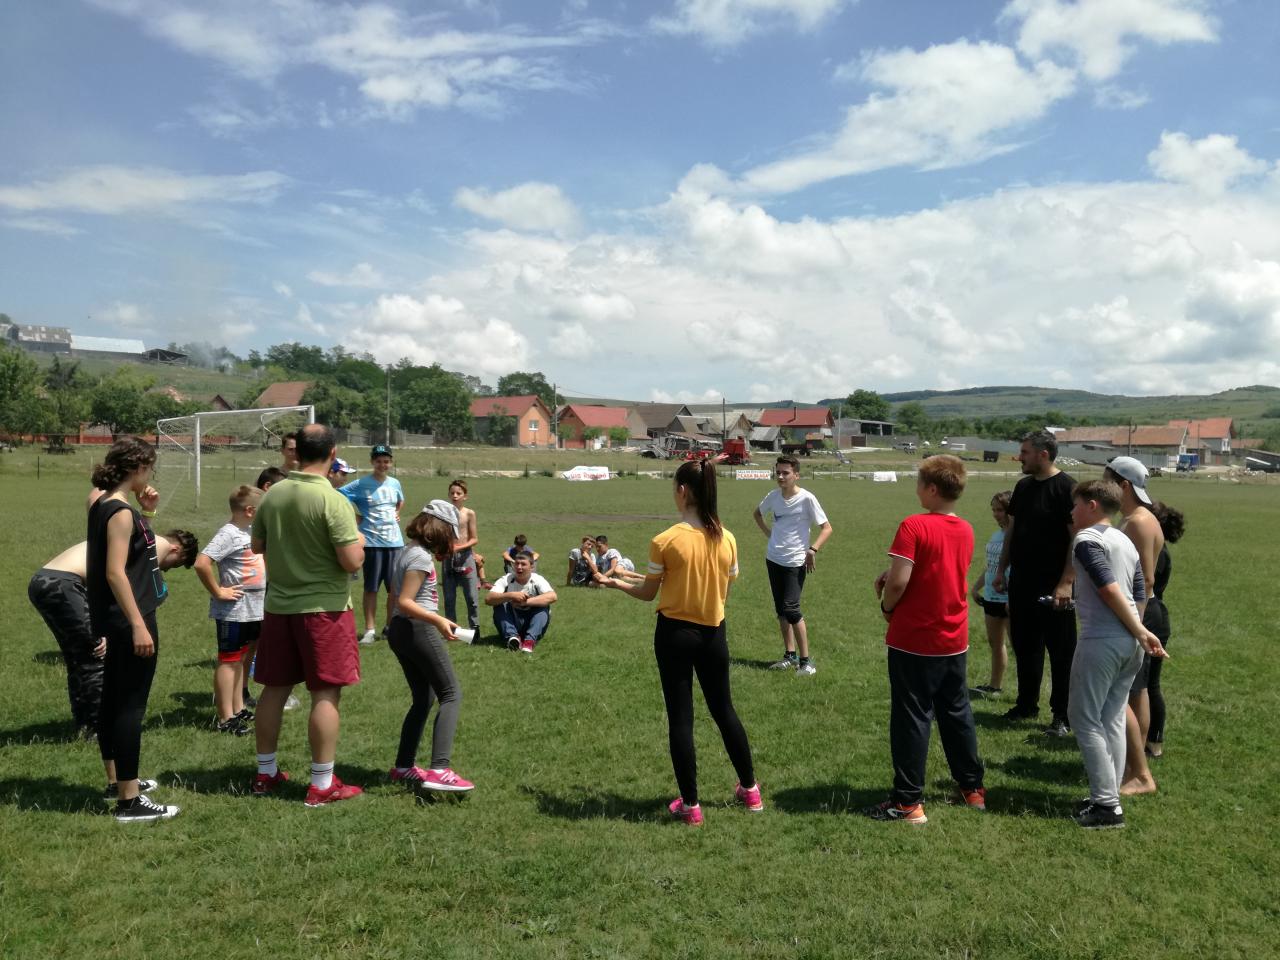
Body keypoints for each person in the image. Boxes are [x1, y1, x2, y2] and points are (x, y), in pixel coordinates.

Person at [595, 459, 761, 827]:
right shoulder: (728, 538)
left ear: (683, 491)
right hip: (714, 633)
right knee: (724, 710)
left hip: (674, 635)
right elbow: (725, 587)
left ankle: (691, 806)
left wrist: (615, 583)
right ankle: (751, 791)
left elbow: (647, 593)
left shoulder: (665, 540)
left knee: (681, 719)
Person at [250, 424, 366, 807]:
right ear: (333, 453)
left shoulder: (273, 494)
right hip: (325, 611)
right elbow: (351, 561)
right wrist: (360, 543)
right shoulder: (333, 500)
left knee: (274, 689)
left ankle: (265, 774)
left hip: (278, 607)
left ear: (296, 452)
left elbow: (257, 544)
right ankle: (322, 783)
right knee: (325, 692)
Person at [867, 455, 985, 824]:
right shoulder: (965, 529)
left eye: (919, 482)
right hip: (954, 637)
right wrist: (893, 572)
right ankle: (972, 789)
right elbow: (938, 570)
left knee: (912, 716)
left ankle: (907, 802)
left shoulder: (913, 525)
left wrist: (887, 607)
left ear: (932, 489)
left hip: (915, 638)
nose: (916, 488)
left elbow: (899, 583)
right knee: (956, 711)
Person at [86, 437, 181, 821]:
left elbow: (137, 556)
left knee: (113, 700)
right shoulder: (120, 512)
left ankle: (119, 782)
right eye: (150, 467)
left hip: (116, 618)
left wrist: (149, 513)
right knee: (130, 707)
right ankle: (130, 801)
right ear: (138, 468)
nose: (151, 474)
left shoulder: (104, 503)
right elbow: (115, 572)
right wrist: (138, 625)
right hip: (131, 619)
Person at [29, 528, 197, 741]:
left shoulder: (140, 541)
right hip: (62, 584)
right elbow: (123, 588)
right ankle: (97, 730)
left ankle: (85, 724)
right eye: (174, 564)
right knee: (96, 656)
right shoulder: (158, 545)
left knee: (80, 656)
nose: (167, 569)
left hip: (44, 582)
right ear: (176, 550)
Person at [1065, 479, 1167, 829]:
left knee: (1084, 719)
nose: (1072, 512)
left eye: (1076, 504)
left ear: (1092, 505)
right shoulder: (1124, 540)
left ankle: (1107, 806)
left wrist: (1137, 630)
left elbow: (1107, 587)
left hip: (1103, 641)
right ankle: (1107, 797)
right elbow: (1140, 591)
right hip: (1128, 644)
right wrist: (1136, 630)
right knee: (1111, 718)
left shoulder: (1086, 539)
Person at [386, 499, 474, 793]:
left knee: (424, 698)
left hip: (401, 629)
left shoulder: (405, 550)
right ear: (438, 528)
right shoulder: (420, 558)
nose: (450, 540)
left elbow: (394, 598)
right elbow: (405, 601)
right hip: (416, 628)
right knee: (451, 693)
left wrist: (393, 625)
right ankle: (439, 769)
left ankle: (403, 767)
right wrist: (437, 620)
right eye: (449, 533)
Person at [994, 430, 1077, 734]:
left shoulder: (1067, 488)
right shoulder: (1023, 487)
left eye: (1025, 452)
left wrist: (1066, 582)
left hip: (1055, 586)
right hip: (1022, 582)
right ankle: (1026, 704)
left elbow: (1076, 539)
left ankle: (1062, 714)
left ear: (1044, 454)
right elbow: (1012, 532)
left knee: (1060, 650)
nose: (1020, 457)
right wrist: (1002, 570)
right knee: (1026, 645)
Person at [1102, 457, 1164, 796]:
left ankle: (1136, 771)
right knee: (1133, 689)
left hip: (1139, 613)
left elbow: (1147, 579)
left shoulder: (1138, 522)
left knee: (1131, 691)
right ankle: (1131, 763)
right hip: (1135, 613)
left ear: (1123, 485)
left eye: (1106, 479)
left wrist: (1133, 621)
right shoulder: (1133, 518)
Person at [194, 485, 265, 735]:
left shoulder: (250, 531)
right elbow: (202, 563)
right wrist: (218, 591)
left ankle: (237, 708)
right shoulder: (228, 534)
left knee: (241, 659)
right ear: (250, 510)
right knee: (229, 661)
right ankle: (225, 718)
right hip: (234, 611)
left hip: (254, 608)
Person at [753, 454, 833, 676]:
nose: (780, 476)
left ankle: (806, 662)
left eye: (785, 473)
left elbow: (827, 528)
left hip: (795, 562)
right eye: (778, 472)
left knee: (791, 608)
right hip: (773, 559)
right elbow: (757, 514)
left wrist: (812, 549)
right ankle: (790, 656)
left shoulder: (807, 499)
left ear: (796, 475)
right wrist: (770, 534)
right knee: (781, 610)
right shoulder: (773, 496)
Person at [340, 444, 405, 646]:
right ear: (372, 462)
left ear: (391, 462)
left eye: (386, 461)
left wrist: (397, 512)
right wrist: (355, 517)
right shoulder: (361, 484)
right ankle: (369, 630)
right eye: (378, 461)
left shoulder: (395, 483)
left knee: (394, 589)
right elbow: (338, 496)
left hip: (395, 543)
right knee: (371, 588)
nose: (382, 465)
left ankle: (390, 627)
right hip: (372, 543)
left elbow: (400, 500)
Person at [1145, 502, 1184, 759]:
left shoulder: (1158, 553)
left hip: (1154, 619)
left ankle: (1154, 743)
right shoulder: (1157, 549)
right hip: (1154, 617)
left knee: (1150, 685)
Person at [970, 491, 1012, 697]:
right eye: (994, 510)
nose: (996, 514)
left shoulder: (1017, 535)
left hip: (1010, 598)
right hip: (991, 597)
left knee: (1021, 648)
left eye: (1000, 510)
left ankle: (1027, 695)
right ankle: (995, 687)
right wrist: (975, 587)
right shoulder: (997, 535)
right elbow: (992, 567)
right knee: (995, 643)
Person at [485, 551, 557, 653]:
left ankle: (529, 641)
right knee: (499, 603)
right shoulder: (506, 579)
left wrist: (526, 602)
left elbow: (553, 596)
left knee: (544, 606)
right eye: (517, 564)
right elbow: (488, 599)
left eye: (523, 564)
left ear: (531, 567)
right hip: (513, 620)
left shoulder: (537, 579)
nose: (519, 567)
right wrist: (510, 595)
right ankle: (512, 638)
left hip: (533, 621)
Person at [442, 480, 481, 630]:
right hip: (447, 558)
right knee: (449, 597)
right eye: (452, 493)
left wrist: (458, 547)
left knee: (471, 596)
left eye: (459, 493)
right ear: (448, 494)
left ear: (465, 496)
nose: (455, 495)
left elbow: (474, 539)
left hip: (466, 558)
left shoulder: (469, 513)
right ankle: (451, 630)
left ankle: (475, 628)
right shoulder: (442, 513)